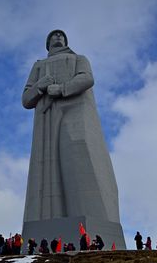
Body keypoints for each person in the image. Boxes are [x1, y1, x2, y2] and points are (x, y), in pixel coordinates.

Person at [22, 29, 121, 227]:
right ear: (48, 43)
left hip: (75, 111)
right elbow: (26, 99)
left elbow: (87, 78)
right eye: (53, 36)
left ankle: (89, 223)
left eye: (61, 36)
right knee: (47, 170)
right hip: (47, 120)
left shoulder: (79, 59)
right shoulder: (39, 66)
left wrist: (62, 89)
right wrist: (40, 86)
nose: (57, 38)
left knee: (78, 158)